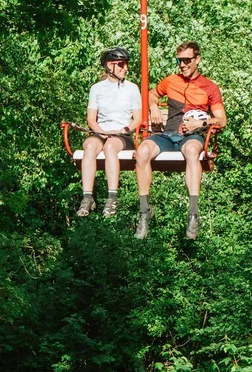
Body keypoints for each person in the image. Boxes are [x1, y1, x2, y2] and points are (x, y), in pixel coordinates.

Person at [134, 41, 226, 240]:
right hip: (167, 134)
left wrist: (200, 124)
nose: (182, 65)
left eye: (186, 60)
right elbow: (150, 95)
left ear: (197, 60)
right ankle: (144, 211)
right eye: (179, 61)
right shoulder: (170, 81)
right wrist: (155, 107)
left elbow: (221, 119)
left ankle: (193, 213)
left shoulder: (210, 87)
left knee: (193, 151)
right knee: (142, 151)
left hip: (191, 136)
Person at [78, 47, 142, 218]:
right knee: (90, 145)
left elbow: (138, 119)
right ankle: (87, 197)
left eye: (126, 64)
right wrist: (101, 132)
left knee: (111, 147)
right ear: (109, 66)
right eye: (121, 64)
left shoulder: (132, 88)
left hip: (122, 135)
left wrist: (124, 129)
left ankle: (112, 197)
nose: (125, 68)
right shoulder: (97, 89)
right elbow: (91, 119)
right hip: (101, 132)